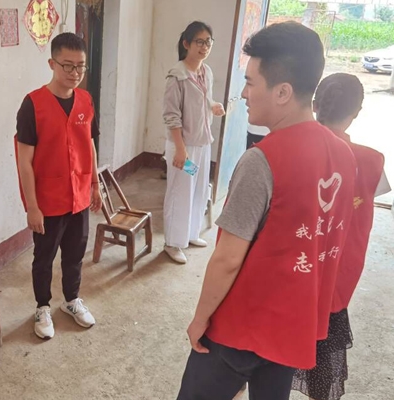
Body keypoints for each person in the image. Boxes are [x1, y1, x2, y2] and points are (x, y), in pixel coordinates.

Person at [176, 22, 357, 400]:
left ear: (282, 92)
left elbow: (227, 259)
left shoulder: (262, 160)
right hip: (294, 326)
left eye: (250, 82)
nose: (243, 93)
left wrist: (200, 318)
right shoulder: (344, 154)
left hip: (241, 327)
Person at [292, 73, 391, 400]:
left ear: (315, 104)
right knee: (323, 355)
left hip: (293, 271)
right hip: (336, 276)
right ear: (357, 111)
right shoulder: (372, 161)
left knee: (273, 352)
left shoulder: (290, 149)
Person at [15, 32, 102, 340]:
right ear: (52, 64)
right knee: (44, 257)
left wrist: (95, 184)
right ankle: (42, 306)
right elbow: (24, 161)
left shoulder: (86, 100)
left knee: (75, 253)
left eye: (80, 66)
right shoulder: (33, 105)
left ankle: (71, 300)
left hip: (79, 195)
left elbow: (89, 144)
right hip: (47, 200)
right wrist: (32, 207)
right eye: (67, 65)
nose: (74, 73)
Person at [163, 21, 225, 264]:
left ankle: (190, 234)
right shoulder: (177, 76)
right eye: (200, 42)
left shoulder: (205, 71)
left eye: (208, 42)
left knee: (198, 190)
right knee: (180, 193)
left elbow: (205, 99)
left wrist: (214, 106)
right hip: (183, 148)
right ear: (186, 44)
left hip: (202, 144)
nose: (205, 47)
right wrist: (180, 150)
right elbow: (171, 116)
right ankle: (172, 242)